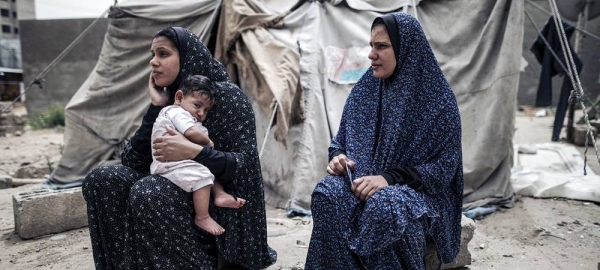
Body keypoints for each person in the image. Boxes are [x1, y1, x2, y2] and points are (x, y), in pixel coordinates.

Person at [82, 27, 276, 269]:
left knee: (149, 191)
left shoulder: (226, 97)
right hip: (173, 180)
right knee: (102, 180)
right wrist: (156, 107)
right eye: (152, 55)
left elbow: (245, 166)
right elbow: (133, 161)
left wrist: (196, 152)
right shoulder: (173, 99)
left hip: (211, 197)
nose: (153, 62)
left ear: (187, 57)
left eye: (163, 54)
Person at [305, 12, 463, 270]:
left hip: (420, 193)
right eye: (371, 45)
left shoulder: (437, 101)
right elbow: (340, 141)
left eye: (382, 47)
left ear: (406, 49)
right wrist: (339, 158)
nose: (371, 54)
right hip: (364, 181)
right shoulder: (366, 88)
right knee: (328, 193)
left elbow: (443, 170)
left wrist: (389, 178)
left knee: (385, 205)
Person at [150, 74, 246, 236]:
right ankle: (202, 216)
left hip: (181, 160)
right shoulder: (176, 112)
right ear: (179, 97)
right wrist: (207, 142)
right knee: (202, 174)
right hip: (169, 162)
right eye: (197, 105)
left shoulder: (190, 116)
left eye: (206, 110)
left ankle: (220, 194)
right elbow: (191, 132)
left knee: (207, 165)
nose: (201, 113)